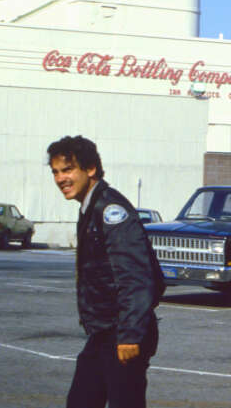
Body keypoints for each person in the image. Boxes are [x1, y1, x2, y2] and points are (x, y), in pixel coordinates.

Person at [48, 135, 161, 408]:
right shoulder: (90, 206)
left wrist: (130, 335)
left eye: (68, 169)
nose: (61, 178)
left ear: (91, 169)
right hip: (105, 332)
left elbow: (136, 277)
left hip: (122, 333)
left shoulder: (111, 210)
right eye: (56, 172)